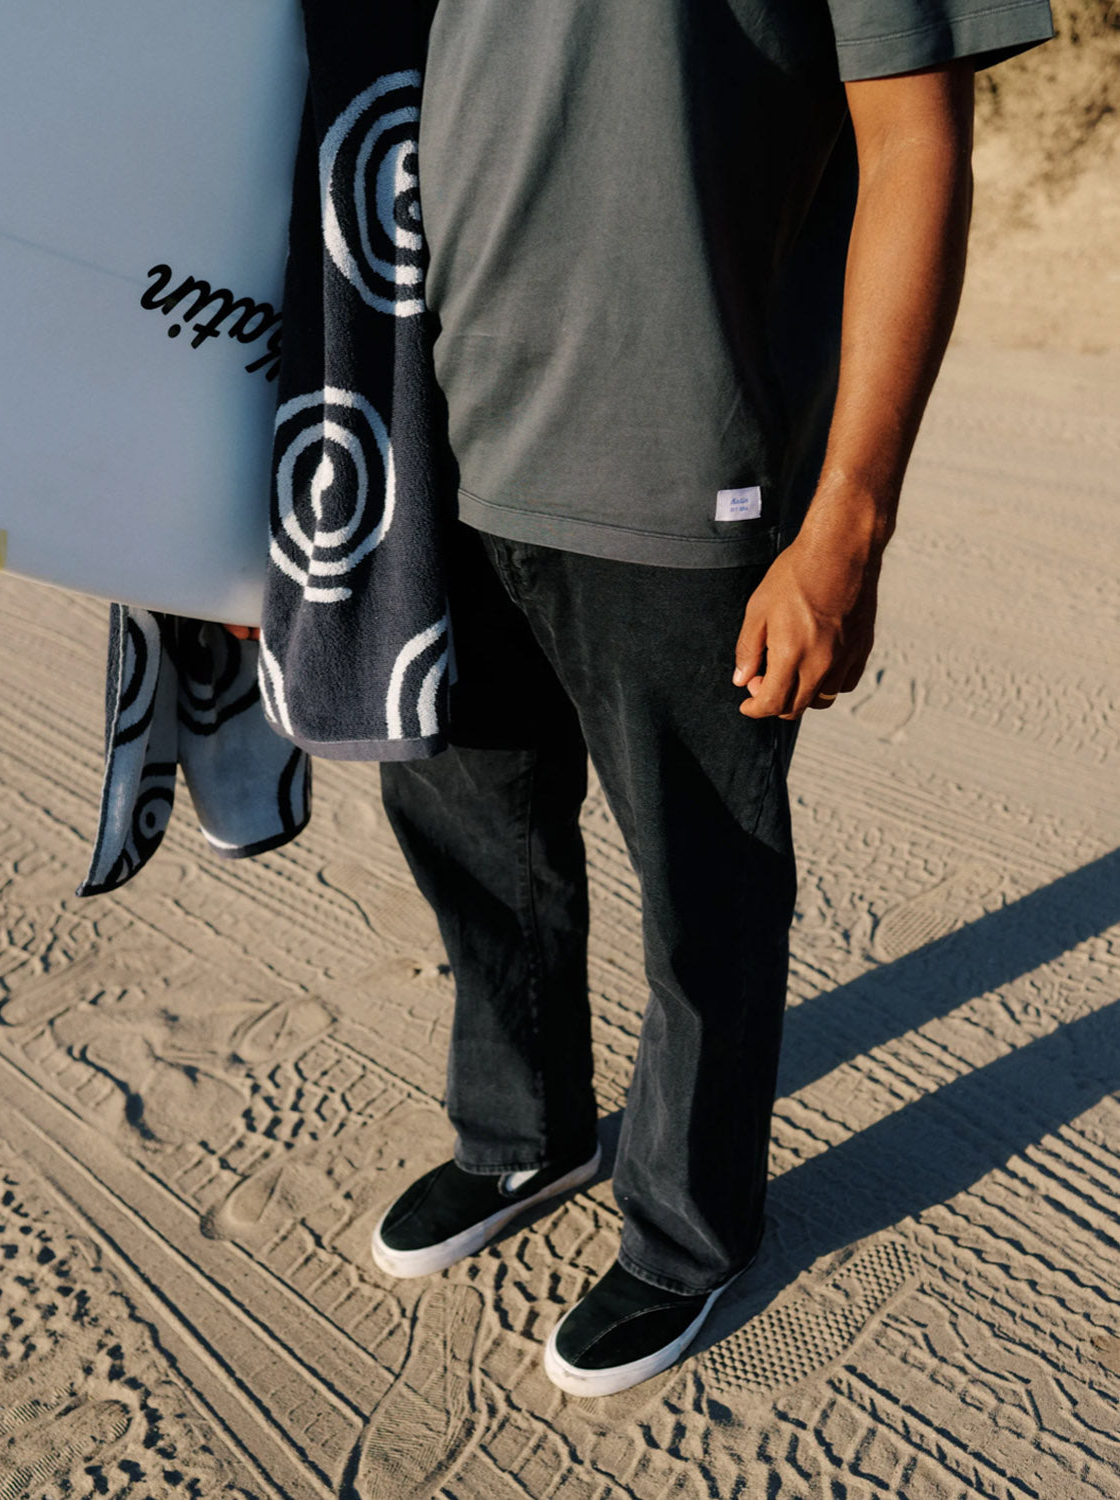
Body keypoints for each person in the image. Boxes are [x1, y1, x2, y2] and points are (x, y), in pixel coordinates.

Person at [235, 0, 1054, 1397]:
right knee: (469, 829)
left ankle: (686, 1227)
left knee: (702, 886)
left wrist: (846, 528)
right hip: (425, 421)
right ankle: (521, 1130)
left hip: (685, 455)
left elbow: (914, 140)